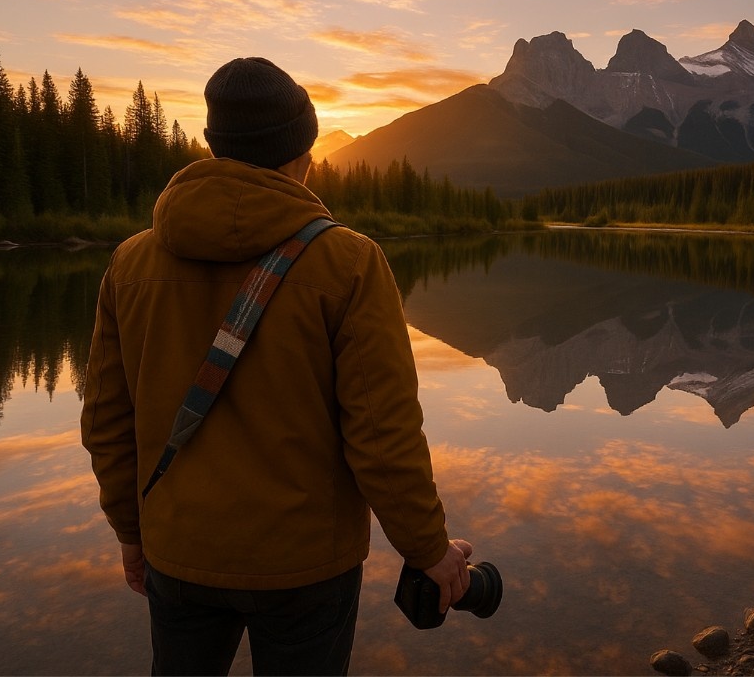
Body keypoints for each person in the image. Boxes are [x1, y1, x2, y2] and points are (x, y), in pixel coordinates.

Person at [80, 56, 472, 676]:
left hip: (178, 551)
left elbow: (106, 419)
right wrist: (428, 550)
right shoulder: (349, 263)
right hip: (305, 568)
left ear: (215, 146)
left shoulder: (130, 264)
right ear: (302, 151)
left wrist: (133, 532)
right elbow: (382, 433)